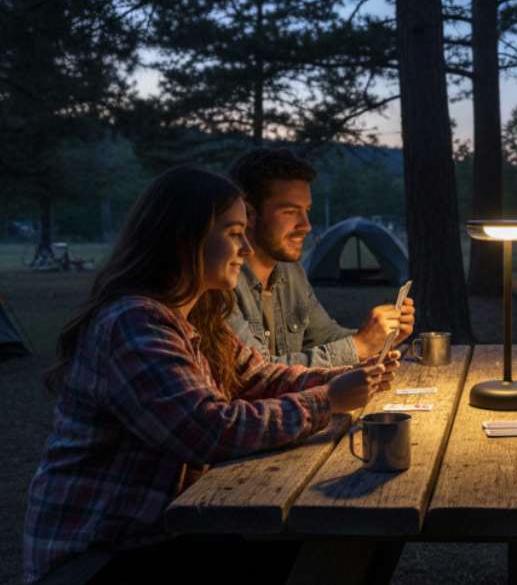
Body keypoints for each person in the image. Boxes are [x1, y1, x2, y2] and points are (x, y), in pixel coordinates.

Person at [23, 167, 398, 584]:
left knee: (354, 535)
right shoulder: (133, 323)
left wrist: (351, 375)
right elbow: (209, 431)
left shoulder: (197, 315)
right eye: (234, 232)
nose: (244, 247)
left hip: (167, 529)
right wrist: (328, 399)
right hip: (99, 554)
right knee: (336, 538)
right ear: (186, 237)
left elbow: (259, 377)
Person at [227, 148, 416, 368]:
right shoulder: (220, 282)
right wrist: (360, 346)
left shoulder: (291, 271)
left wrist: (378, 340)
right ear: (248, 214)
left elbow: (324, 337)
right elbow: (256, 373)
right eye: (290, 211)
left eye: (306, 210)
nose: (305, 226)